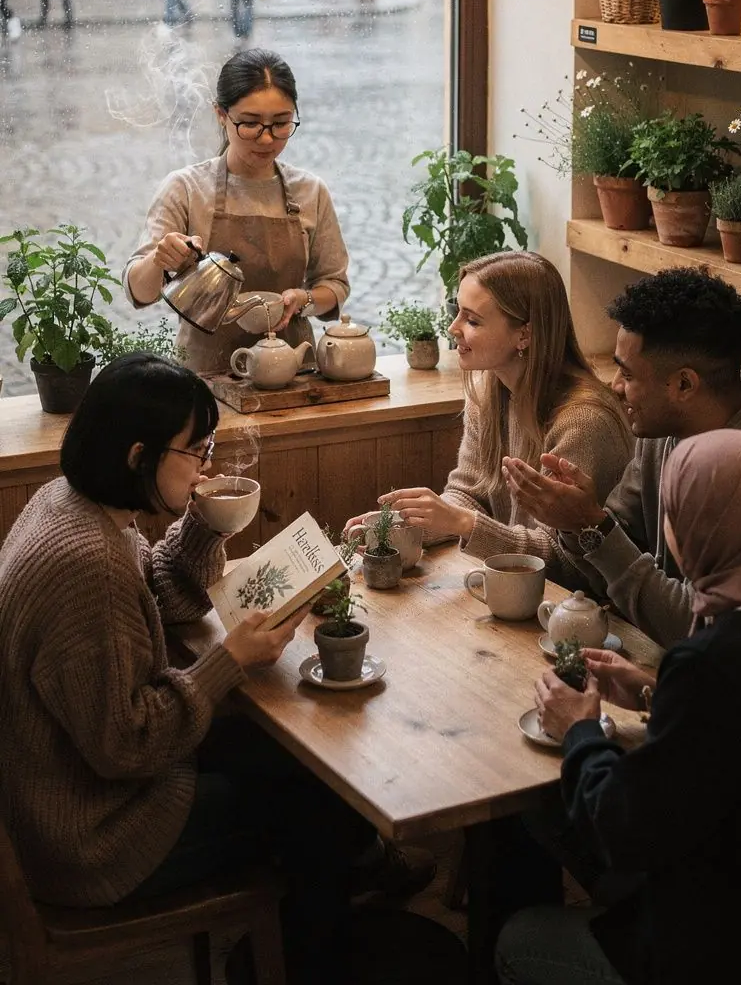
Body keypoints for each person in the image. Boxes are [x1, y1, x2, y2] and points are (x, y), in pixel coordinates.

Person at [0, 354, 397, 984]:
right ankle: (316, 949)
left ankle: (352, 881)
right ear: (138, 457)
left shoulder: (73, 502)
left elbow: (162, 597)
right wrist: (227, 662)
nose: (207, 465)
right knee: (319, 809)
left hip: (81, 794)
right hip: (94, 838)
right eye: (197, 451)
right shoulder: (87, 564)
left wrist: (203, 524)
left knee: (298, 764)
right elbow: (125, 746)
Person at [497, 431, 741, 985]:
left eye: (675, 511)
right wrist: (653, 689)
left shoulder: (716, 656)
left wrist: (578, 729)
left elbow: (625, 827)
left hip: (733, 947)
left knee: (520, 938)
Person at [504, 267, 741, 646]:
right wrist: (574, 523)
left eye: (628, 375)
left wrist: (592, 526)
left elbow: (701, 631)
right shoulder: (666, 426)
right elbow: (608, 557)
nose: (615, 388)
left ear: (684, 384)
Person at [348, 252, 632, 576]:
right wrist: (406, 528)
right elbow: (469, 493)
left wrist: (463, 523)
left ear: (524, 335)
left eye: (472, 320)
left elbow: (561, 560)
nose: (453, 328)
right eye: (458, 313)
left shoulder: (583, 423)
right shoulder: (488, 391)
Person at [125, 48, 350, 376]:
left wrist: (305, 299)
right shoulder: (186, 189)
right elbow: (137, 292)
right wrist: (159, 260)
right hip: (203, 381)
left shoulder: (310, 191)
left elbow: (335, 284)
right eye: (250, 124)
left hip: (293, 377)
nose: (267, 138)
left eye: (281, 123)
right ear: (221, 115)